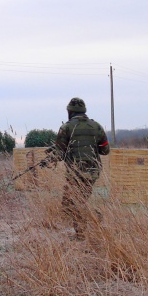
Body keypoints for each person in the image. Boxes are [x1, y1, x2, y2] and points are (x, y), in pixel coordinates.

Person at [53, 97, 110, 238]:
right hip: (93, 172)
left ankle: (83, 232)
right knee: (73, 202)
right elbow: (105, 150)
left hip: (75, 173)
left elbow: (59, 154)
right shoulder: (96, 126)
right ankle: (86, 227)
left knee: (73, 203)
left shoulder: (66, 128)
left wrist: (50, 159)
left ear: (70, 112)